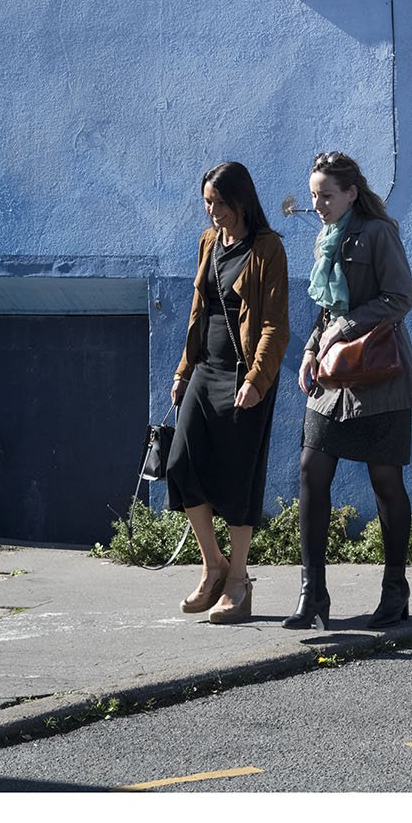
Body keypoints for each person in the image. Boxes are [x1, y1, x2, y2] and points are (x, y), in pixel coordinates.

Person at [282, 150, 412, 631]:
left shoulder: (379, 233)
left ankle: (395, 589)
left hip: (380, 376)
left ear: (350, 193)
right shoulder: (326, 238)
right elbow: (325, 308)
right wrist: (311, 349)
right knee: (311, 468)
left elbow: (400, 298)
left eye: (326, 195)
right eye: (313, 196)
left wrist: (342, 329)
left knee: (385, 480)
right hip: (333, 377)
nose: (317, 205)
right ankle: (313, 592)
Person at [167, 161, 289, 623]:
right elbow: (198, 311)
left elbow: (274, 324)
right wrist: (183, 370)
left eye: (219, 202)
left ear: (241, 200)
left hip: (245, 375)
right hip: (205, 369)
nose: (212, 210)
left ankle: (238, 581)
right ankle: (213, 565)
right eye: (207, 202)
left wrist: (258, 380)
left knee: (240, 478)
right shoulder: (209, 242)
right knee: (180, 464)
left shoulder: (267, 248)